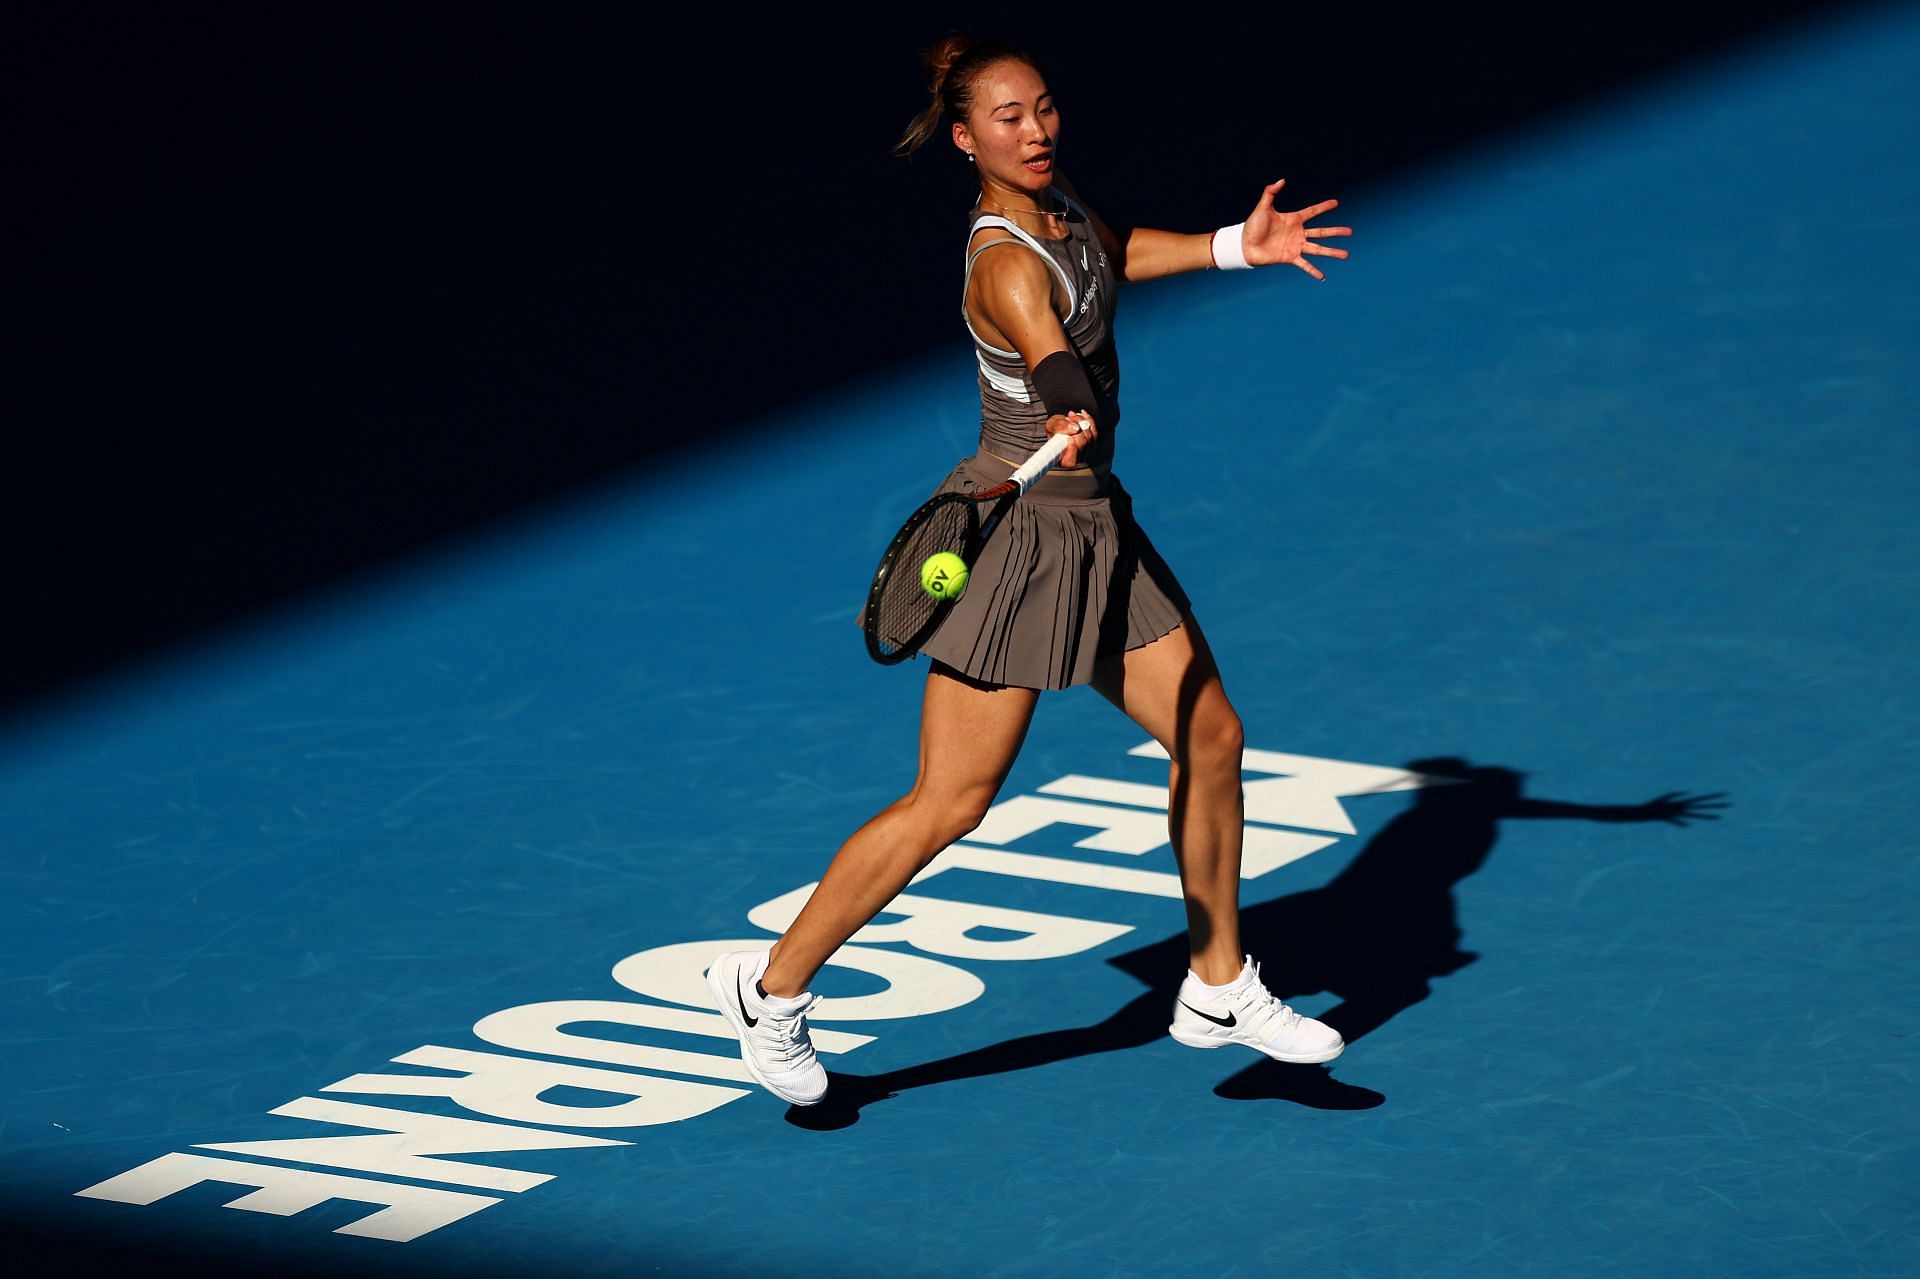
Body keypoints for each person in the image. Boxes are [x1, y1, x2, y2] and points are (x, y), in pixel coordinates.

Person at [708, 35, 1353, 1107]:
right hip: (1018, 546)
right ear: (966, 141)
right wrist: (1063, 394)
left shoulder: (1061, 212)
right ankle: (768, 989)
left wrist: (1240, 245)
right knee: (952, 801)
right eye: (1008, 118)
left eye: (1044, 108)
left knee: (1211, 733)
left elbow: (1116, 254)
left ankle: (1214, 980)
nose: (1037, 130)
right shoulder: (1004, 256)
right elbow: (1045, 335)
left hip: (1097, 523)